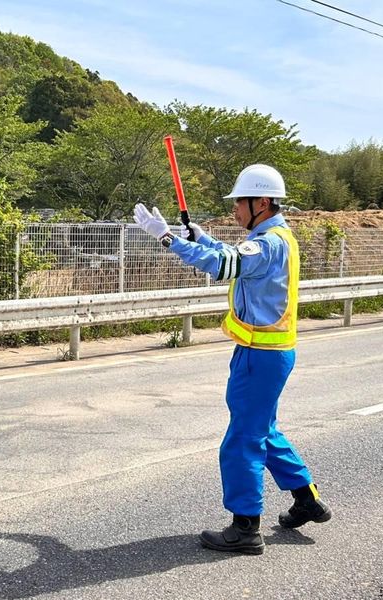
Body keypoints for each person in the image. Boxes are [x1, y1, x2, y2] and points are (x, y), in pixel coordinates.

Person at [133, 164, 331, 555]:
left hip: (260, 356)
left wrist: (167, 238)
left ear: (262, 202)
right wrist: (201, 237)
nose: (235, 209)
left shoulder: (268, 243)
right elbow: (233, 255)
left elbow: (225, 265)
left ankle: (245, 528)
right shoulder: (275, 237)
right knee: (262, 429)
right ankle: (306, 499)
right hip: (269, 354)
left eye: (240, 202)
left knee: (242, 439)